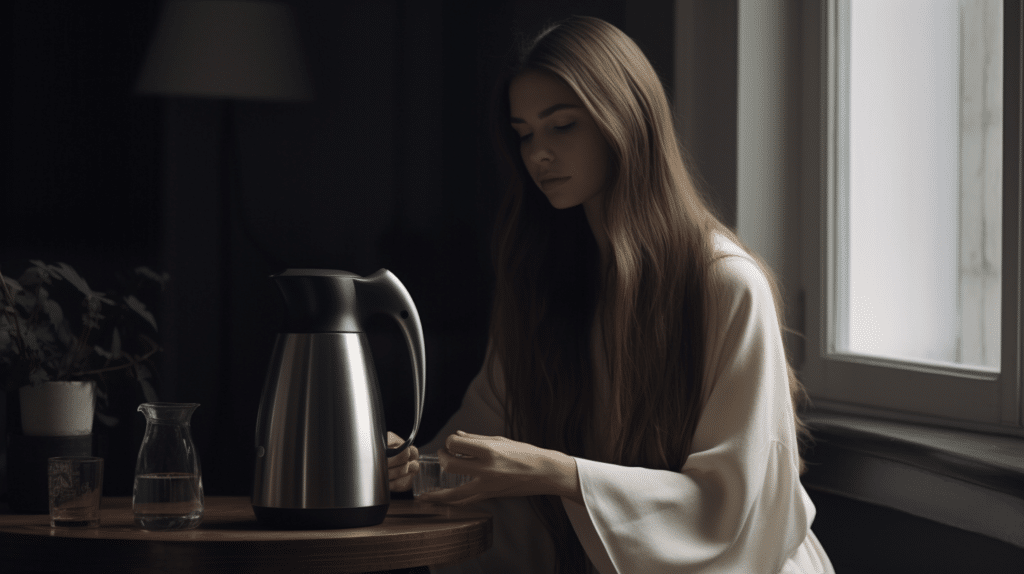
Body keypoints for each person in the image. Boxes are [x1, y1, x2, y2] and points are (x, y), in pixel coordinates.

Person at [386, 15, 834, 574]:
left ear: (625, 120)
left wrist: (560, 473)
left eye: (563, 126)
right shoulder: (539, 285)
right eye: (524, 133)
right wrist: (416, 465)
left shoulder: (724, 285)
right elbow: (488, 431)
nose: (538, 154)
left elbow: (737, 512)